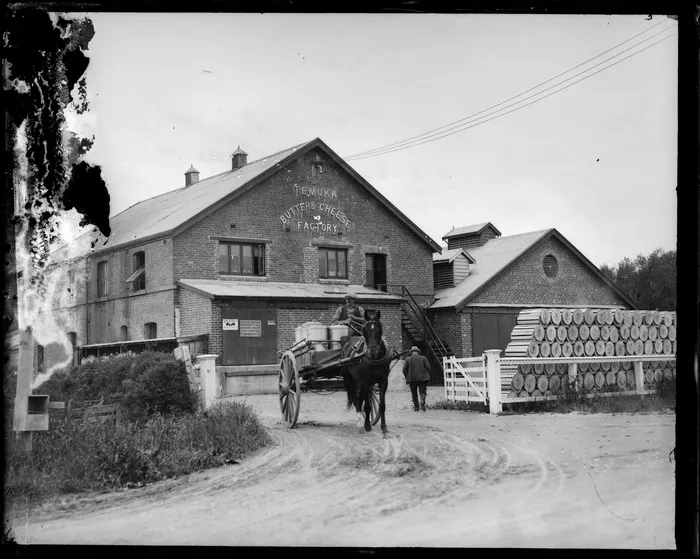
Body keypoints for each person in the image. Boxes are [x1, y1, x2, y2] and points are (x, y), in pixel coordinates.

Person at [403, 346, 431, 412]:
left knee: (414, 393)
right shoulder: (423, 358)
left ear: (411, 352)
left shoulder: (408, 359)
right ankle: (422, 401)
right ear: (418, 352)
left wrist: (407, 376)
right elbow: (428, 368)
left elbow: (404, 370)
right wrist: (427, 374)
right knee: (423, 391)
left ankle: (416, 407)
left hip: (412, 378)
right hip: (422, 378)